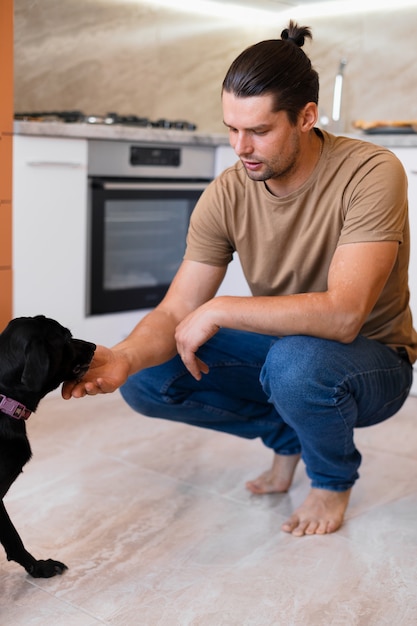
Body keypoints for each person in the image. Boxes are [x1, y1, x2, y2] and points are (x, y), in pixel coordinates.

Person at [63, 21, 417, 536]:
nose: (240, 146)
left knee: (298, 363)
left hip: (373, 361)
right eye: (231, 128)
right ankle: (289, 435)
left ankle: (331, 480)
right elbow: (174, 310)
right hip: (283, 353)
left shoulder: (371, 171)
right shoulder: (228, 192)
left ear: (306, 117)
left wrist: (220, 308)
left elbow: (344, 316)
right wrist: (123, 357)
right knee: (146, 376)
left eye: (258, 130)